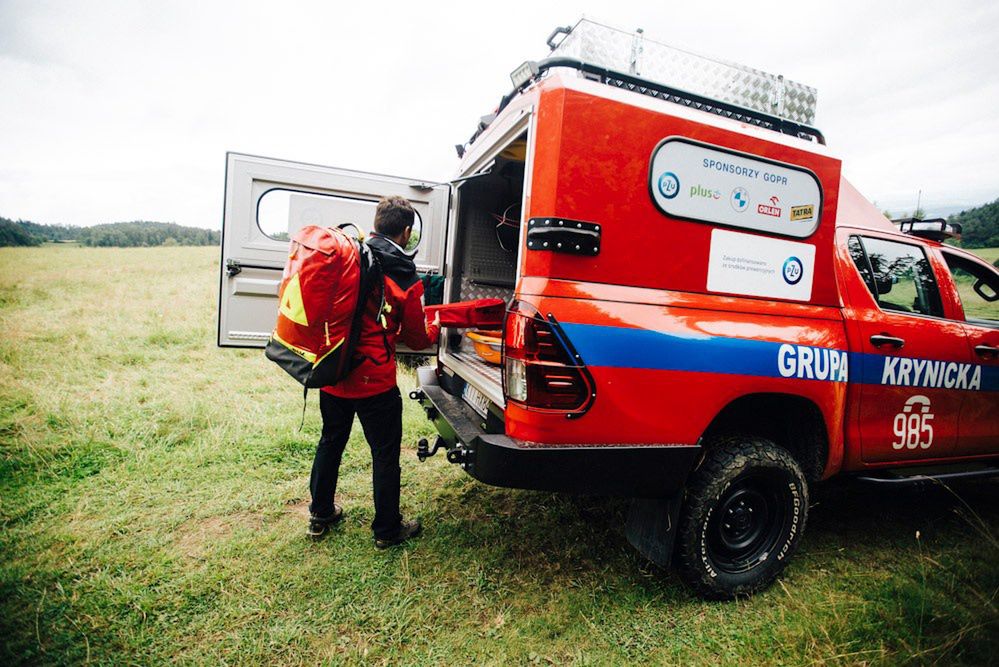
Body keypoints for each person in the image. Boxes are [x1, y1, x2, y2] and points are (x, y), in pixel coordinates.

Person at [307, 195, 440, 547]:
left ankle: (321, 513)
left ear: (376, 224)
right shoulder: (403, 273)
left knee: (330, 441)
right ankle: (386, 530)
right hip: (375, 382)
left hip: (334, 371)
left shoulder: (349, 255)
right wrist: (435, 328)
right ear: (407, 232)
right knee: (383, 453)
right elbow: (415, 334)